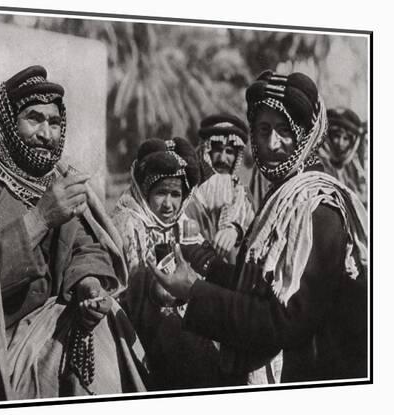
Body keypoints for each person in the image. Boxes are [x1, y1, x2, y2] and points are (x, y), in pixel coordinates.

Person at [0, 65, 147, 405]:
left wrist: (88, 287)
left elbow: (84, 245)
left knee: (106, 321)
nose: (46, 134)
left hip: (41, 339)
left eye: (54, 122)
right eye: (34, 119)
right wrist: (39, 219)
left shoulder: (54, 179)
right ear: (7, 123)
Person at [150, 70, 368, 385]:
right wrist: (207, 263)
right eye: (263, 130)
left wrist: (195, 294)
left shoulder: (316, 206)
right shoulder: (285, 192)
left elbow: (284, 320)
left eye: (284, 130)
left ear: (306, 135)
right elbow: (260, 282)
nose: (271, 143)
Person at [111, 137, 224, 390]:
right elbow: (129, 289)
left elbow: (203, 260)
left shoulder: (182, 221)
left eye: (176, 194)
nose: (168, 204)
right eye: (161, 192)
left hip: (177, 315)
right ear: (144, 191)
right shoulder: (128, 223)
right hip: (136, 320)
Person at [187, 114, 254, 260]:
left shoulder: (244, 197)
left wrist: (236, 231)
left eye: (229, 151)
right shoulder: (187, 192)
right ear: (206, 151)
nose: (223, 159)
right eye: (218, 150)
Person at [319, 107, 367, 206]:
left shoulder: (350, 164)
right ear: (328, 136)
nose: (340, 143)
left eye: (346, 138)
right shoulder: (319, 162)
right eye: (337, 136)